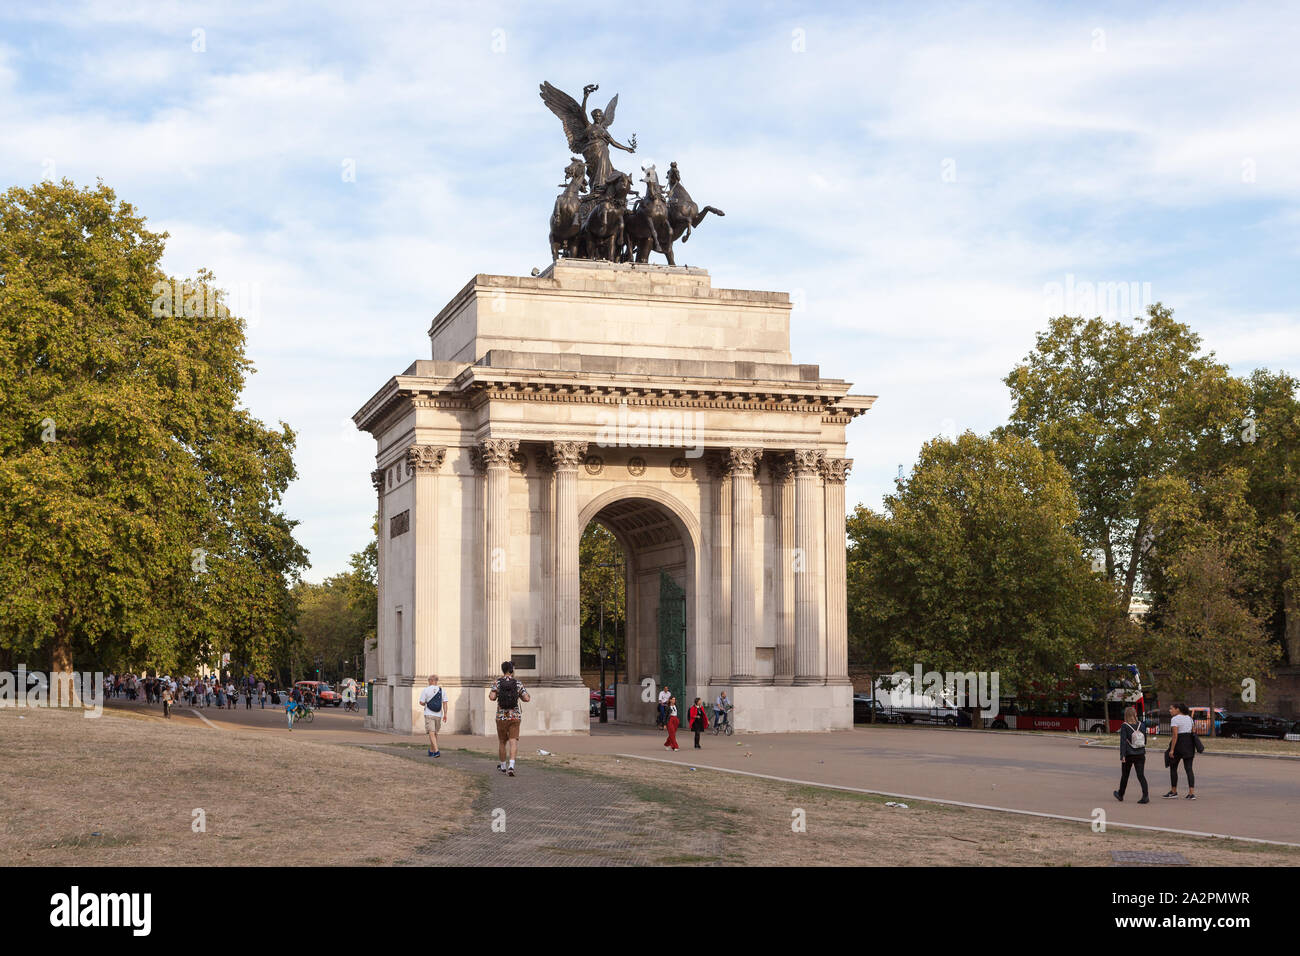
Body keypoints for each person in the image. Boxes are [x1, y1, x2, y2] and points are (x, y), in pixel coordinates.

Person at [489, 661, 530, 777]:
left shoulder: (497, 682)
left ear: (503, 670)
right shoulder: (517, 683)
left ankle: (503, 766)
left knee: (502, 742)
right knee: (513, 742)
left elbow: (492, 697)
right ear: (512, 670)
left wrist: (495, 692)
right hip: (515, 717)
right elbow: (526, 698)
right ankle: (511, 766)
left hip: (501, 717)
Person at [1114, 705, 1149, 804]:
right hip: (1141, 754)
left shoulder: (1124, 725)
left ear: (1126, 715)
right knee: (1141, 775)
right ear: (1135, 714)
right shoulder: (1141, 725)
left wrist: (1122, 755)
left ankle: (1120, 794)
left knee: (1125, 776)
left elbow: (1123, 742)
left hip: (1129, 754)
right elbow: (1145, 740)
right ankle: (1145, 796)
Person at [1165, 703, 1198, 800]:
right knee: (1189, 769)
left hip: (1179, 745)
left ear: (1177, 709)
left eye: (1171, 709)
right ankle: (1191, 793)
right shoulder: (1189, 718)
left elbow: (1175, 735)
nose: (1170, 710)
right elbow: (1193, 731)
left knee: (1173, 768)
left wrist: (1172, 750)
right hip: (1189, 745)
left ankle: (1174, 791)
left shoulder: (1175, 719)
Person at [418, 675, 449, 758]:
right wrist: (445, 714)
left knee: (431, 733)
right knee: (435, 733)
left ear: (430, 681)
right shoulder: (442, 690)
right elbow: (445, 703)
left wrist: (426, 704)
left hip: (429, 714)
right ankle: (431, 750)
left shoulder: (426, 690)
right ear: (436, 681)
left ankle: (436, 751)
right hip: (438, 714)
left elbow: (421, 702)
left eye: (428, 680)